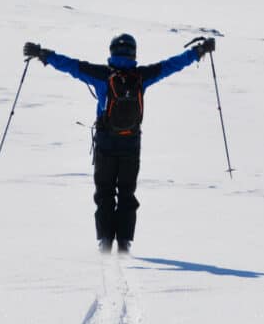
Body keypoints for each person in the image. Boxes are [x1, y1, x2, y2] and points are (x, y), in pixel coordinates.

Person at [22, 33, 216, 253]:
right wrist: (197, 52)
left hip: (105, 140)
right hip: (131, 142)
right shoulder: (142, 76)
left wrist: (43, 54)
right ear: (134, 52)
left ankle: (105, 241)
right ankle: (124, 242)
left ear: (112, 51)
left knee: (104, 191)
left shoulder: (102, 75)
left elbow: (71, 66)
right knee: (126, 192)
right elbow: (172, 65)